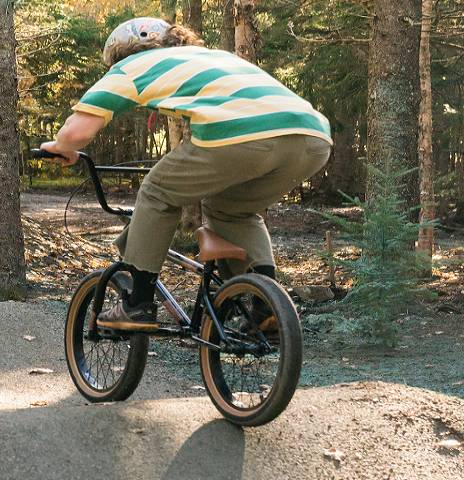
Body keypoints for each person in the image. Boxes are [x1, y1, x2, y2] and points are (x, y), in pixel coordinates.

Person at [37, 18, 331, 331]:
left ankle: (136, 304)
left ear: (120, 55)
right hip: (312, 136)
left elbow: (77, 131)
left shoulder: (133, 66)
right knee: (234, 210)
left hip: (242, 134)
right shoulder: (212, 57)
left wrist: (61, 147)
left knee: (157, 190)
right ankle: (265, 307)